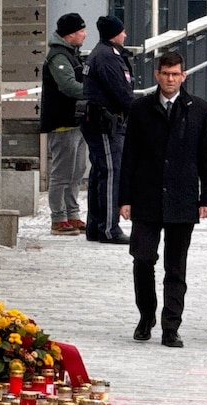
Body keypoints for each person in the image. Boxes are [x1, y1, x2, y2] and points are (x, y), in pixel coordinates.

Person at [119, 51, 207, 348]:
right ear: (157, 75)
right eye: (166, 74)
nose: (171, 79)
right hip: (146, 197)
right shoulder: (140, 108)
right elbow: (129, 155)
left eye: (176, 74)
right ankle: (146, 315)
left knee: (176, 266)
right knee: (143, 259)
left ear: (184, 76)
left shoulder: (198, 109)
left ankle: (171, 326)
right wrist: (125, 199)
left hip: (182, 199)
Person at [81, 15, 134, 244]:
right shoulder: (107, 57)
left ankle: (95, 226)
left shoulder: (101, 53)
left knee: (100, 172)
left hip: (98, 121)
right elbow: (121, 92)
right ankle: (109, 228)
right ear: (115, 33)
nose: (125, 35)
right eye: (122, 31)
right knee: (112, 172)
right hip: (105, 123)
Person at [40, 13, 88, 236]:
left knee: (76, 171)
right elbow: (68, 86)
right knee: (62, 173)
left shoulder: (71, 54)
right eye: (81, 31)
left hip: (75, 122)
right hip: (62, 123)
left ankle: (72, 213)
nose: (84, 35)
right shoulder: (59, 57)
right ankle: (58, 218)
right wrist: (95, 92)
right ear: (69, 34)